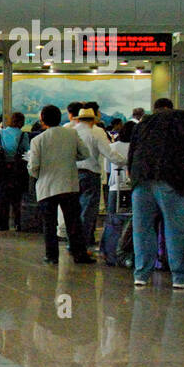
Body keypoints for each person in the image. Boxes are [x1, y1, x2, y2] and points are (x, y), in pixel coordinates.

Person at [128, 98, 184, 289]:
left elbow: (132, 153)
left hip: (141, 180)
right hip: (172, 180)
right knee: (174, 229)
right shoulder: (183, 122)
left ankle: (141, 275)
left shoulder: (143, 124)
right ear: (171, 108)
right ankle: (179, 278)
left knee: (141, 229)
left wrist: (133, 176)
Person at [26, 104, 93, 265]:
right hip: (68, 184)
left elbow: (33, 166)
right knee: (73, 222)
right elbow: (85, 153)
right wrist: (70, 160)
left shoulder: (37, 140)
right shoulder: (71, 134)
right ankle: (79, 254)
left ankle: (51, 256)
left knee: (49, 224)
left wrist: (38, 175)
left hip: (47, 186)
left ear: (42, 120)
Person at [72, 106, 112, 247]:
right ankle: (82, 244)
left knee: (74, 211)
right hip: (90, 174)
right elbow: (108, 152)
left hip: (72, 174)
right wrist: (125, 161)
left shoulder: (71, 131)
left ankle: (73, 243)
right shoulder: (97, 132)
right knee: (87, 211)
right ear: (92, 120)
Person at [0, 112, 30, 231]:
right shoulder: (23, 135)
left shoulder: (1, 133)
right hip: (17, 168)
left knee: (2, 196)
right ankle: (18, 223)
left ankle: (2, 224)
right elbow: (27, 151)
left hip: (2, 168)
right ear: (20, 122)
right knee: (16, 197)